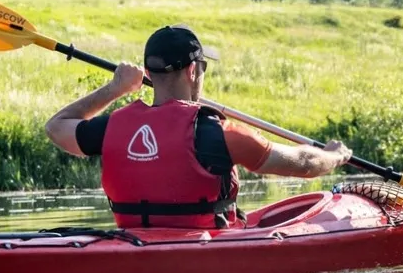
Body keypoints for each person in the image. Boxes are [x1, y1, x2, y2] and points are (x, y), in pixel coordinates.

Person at [45, 24, 352, 229]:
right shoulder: (216, 132)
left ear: (148, 72)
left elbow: (56, 127)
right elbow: (304, 163)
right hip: (205, 247)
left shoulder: (112, 127)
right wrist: (335, 155)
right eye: (203, 67)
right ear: (193, 70)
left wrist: (115, 89)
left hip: (132, 244)